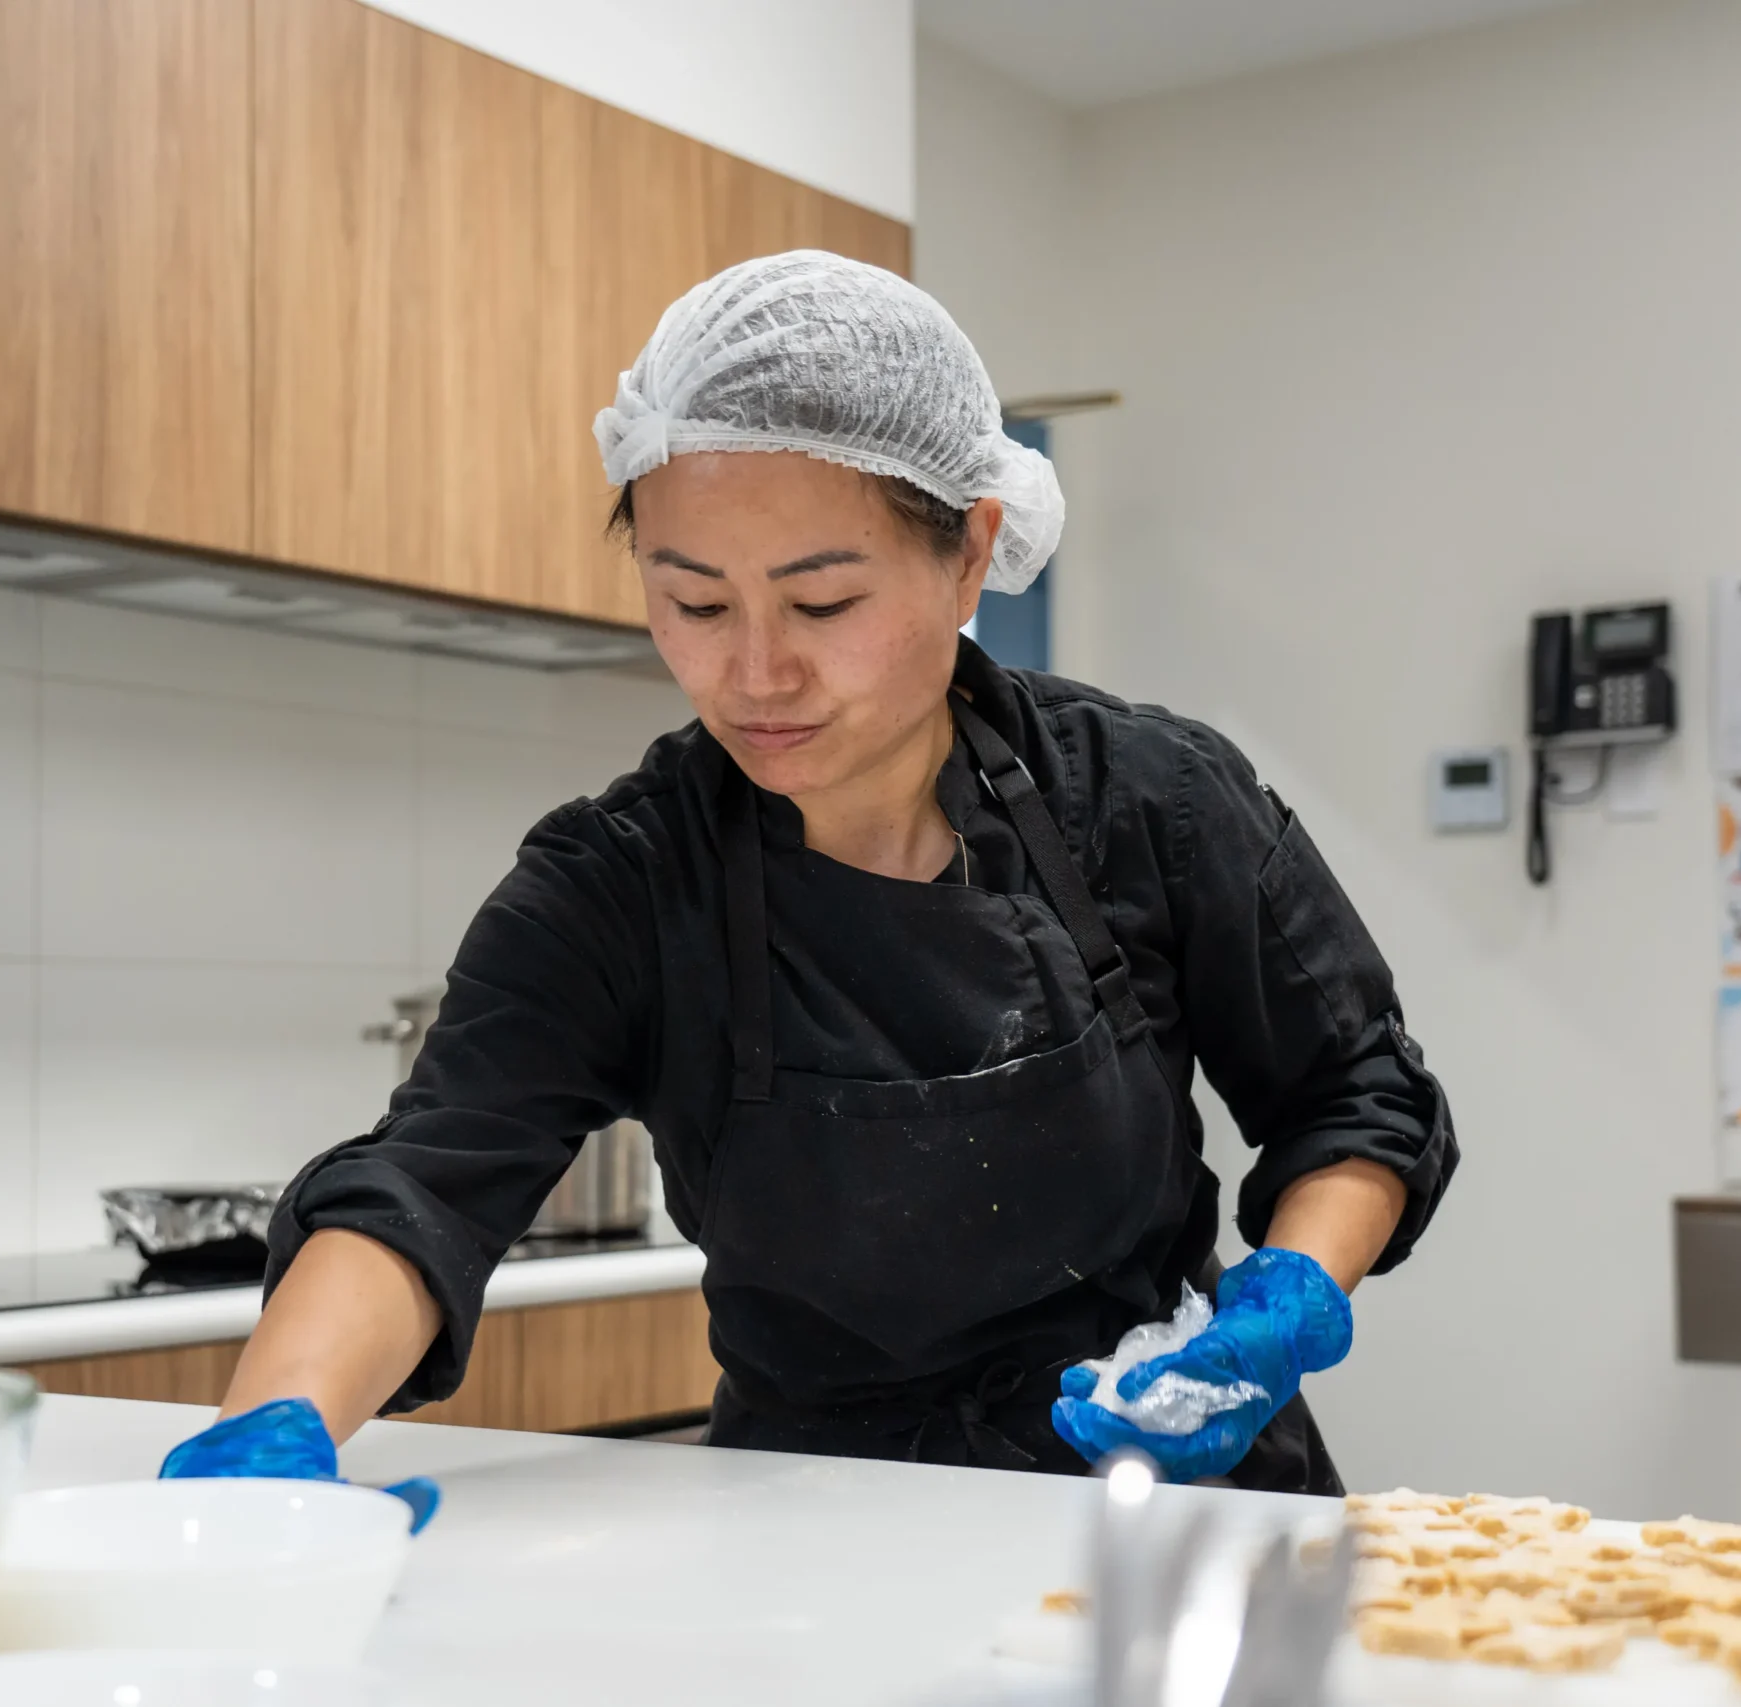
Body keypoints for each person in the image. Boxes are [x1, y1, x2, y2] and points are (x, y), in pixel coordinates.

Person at [161, 251, 1457, 1492]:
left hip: (1178, 1501)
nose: (756, 672)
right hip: (817, 1532)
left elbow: (1352, 1090)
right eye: (694, 603)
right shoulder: (622, 883)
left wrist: (1283, 1303)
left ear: (969, 553)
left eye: (823, 603)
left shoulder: (1148, 799)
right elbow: (422, 1184)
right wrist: (276, 1425)